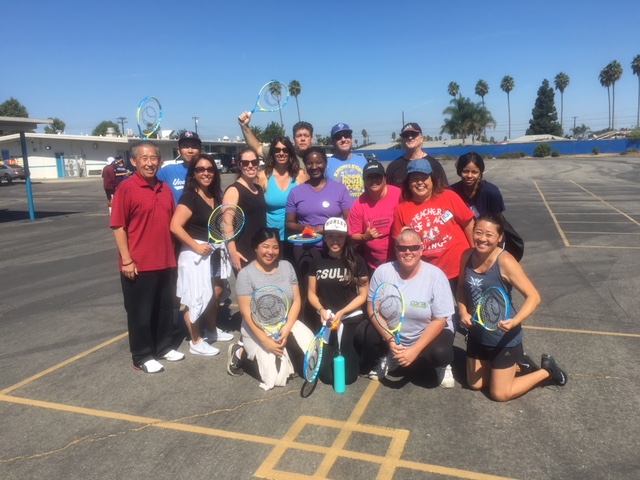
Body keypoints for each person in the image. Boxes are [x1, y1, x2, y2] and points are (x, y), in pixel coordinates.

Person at [457, 214, 568, 401]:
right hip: (477, 334)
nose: (482, 238)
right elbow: (461, 287)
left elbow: (534, 297)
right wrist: (462, 311)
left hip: (504, 339)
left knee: (499, 394)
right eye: (479, 232)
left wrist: (515, 321)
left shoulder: (505, 261)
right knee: (475, 384)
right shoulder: (467, 255)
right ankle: (519, 365)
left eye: (489, 235)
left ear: (500, 238)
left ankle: (548, 371)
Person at [110, 141, 185, 373]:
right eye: (144, 158)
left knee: (164, 309)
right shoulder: (126, 188)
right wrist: (127, 260)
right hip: (139, 264)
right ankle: (142, 355)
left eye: (154, 158)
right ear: (134, 161)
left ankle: (163, 347)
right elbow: (118, 226)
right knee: (140, 313)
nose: (150, 163)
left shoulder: (164, 188)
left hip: (166, 261)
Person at [357, 229, 456, 387]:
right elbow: (372, 309)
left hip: (428, 331)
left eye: (414, 247)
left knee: (441, 353)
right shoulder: (382, 272)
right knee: (364, 333)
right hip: (393, 333)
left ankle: (442, 366)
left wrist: (415, 350)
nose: (408, 252)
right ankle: (389, 355)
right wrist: (389, 339)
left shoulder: (436, 276)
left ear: (422, 249)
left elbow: (440, 320)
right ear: (396, 250)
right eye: (402, 248)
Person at [227, 228, 314, 390]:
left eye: (275, 247)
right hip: (257, 326)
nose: (270, 252)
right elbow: (246, 313)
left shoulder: (287, 266)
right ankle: (241, 352)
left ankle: (287, 352)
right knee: (275, 380)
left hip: (284, 321)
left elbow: (296, 300)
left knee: (310, 354)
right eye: (265, 246)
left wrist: (286, 329)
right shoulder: (246, 274)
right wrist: (265, 341)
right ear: (256, 248)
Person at [170, 154, 234, 357]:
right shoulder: (190, 197)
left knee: (215, 293)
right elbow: (175, 226)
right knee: (194, 297)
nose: (206, 173)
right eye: (200, 169)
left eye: (209, 169)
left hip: (214, 251)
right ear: (193, 173)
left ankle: (211, 331)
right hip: (196, 253)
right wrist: (196, 247)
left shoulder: (215, 195)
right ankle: (196, 341)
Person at [392, 159, 474, 291]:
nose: (420, 182)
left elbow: (469, 223)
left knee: (466, 308)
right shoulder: (401, 210)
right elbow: (399, 243)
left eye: (424, 178)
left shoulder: (449, 196)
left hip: (460, 268)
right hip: (429, 274)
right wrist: (406, 236)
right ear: (408, 182)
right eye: (414, 178)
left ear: (432, 179)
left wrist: (475, 253)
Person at [307, 217, 369, 385]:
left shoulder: (357, 261)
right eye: (330, 236)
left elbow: (363, 294)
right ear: (325, 238)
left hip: (350, 318)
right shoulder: (317, 260)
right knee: (326, 378)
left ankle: (359, 357)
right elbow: (311, 293)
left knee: (348, 378)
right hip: (327, 320)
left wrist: (343, 312)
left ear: (345, 237)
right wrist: (321, 310)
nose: (335, 241)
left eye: (339, 236)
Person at [285, 147, 352, 297]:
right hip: (305, 248)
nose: (314, 167)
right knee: (308, 291)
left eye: (319, 162)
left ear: (326, 163)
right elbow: (289, 223)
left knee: (331, 290)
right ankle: (308, 320)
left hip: (334, 247)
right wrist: (303, 227)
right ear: (305, 165)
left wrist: (325, 229)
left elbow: (349, 220)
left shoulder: (340, 189)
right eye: (309, 163)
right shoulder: (296, 192)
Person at [348, 161, 402, 273]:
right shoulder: (359, 204)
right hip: (375, 265)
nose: (374, 181)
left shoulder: (399, 195)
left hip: (401, 261)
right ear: (364, 180)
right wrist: (365, 237)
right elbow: (353, 235)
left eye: (377, 177)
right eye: (369, 177)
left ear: (384, 179)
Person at [256, 136, 308, 251]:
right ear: (272, 153)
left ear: (290, 152)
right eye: (277, 150)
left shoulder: (301, 175)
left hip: (296, 237)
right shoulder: (263, 176)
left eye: (285, 150)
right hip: (271, 240)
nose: (281, 153)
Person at [222, 147, 267, 272]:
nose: (251, 166)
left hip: (260, 249)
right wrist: (233, 252)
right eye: (246, 163)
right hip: (243, 250)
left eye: (254, 162)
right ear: (239, 165)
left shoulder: (259, 189)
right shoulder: (234, 190)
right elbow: (227, 223)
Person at [238, 112, 313, 170]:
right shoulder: (283, 153)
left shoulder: (320, 158)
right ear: (294, 139)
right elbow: (258, 148)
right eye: (299, 136)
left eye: (306, 136)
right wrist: (245, 126)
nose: (303, 139)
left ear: (312, 139)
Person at [386, 123, 448, 188]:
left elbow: (443, 191)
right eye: (406, 135)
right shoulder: (393, 167)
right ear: (402, 140)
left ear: (422, 139)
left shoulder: (434, 164)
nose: (410, 137)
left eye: (414, 134)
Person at [449, 152, 505, 218]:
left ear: (480, 174)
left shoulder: (492, 192)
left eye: (474, 172)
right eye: (465, 171)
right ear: (459, 172)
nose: (469, 176)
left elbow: (497, 221)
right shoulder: (451, 193)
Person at [325, 123, 368, 198]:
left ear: (351, 139)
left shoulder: (363, 160)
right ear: (333, 142)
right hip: (338, 209)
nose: (343, 139)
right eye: (338, 137)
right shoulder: (326, 164)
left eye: (346, 135)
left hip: (361, 208)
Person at [158, 131, 201, 204]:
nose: (190, 151)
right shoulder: (167, 171)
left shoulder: (207, 172)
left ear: (200, 150)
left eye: (194, 146)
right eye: (186, 146)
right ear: (179, 150)